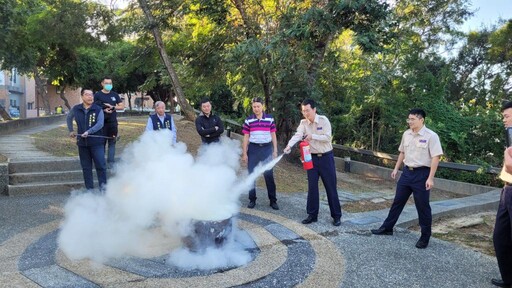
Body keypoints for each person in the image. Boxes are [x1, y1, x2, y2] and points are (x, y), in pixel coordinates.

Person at [371, 108, 443, 249]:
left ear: (421, 120)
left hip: (422, 175)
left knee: (422, 206)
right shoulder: (406, 134)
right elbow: (402, 153)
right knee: (398, 201)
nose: (409, 122)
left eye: (412, 119)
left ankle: (425, 236)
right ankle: (387, 228)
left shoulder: (431, 136)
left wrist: (430, 178)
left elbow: (436, 157)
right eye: (408, 119)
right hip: (407, 173)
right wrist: (396, 168)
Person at [284, 99, 342, 226]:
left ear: (314, 109)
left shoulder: (323, 120)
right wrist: (289, 145)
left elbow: (328, 138)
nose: (305, 113)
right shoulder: (303, 123)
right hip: (311, 159)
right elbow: (298, 135)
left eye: (308, 111)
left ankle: (336, 216)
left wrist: (312, 136)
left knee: (331, 187)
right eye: (303, 111)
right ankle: (312, 215)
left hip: (326, 158)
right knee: (312, 187)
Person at [242, 97, 279, 210]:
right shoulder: (249, 120)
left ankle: (273, 200)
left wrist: (275, 150)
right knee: (251, 175)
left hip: (267, 149)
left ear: (262, 106)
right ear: (252, 107)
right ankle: (252, 199)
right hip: (253, 149)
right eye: (254, 107)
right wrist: (244, 153)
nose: (256, 108)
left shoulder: (270, 119)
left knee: (268, 175)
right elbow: (246, 137)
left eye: (258, 106)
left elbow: (273, 134)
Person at [66, 89, 107, 190]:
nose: (90, 97)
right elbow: (69, 117)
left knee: (101, 166)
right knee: (86, 168)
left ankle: (103, 190)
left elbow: (100, 124)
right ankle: (90, 191)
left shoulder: (98, 109)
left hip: (96, 144)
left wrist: (89, 132)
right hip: (82, 144)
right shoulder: (76, 108)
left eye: (91, 95)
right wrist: (71, 130)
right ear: (82, 96)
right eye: (87, 95)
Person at [491, 101, 512, 288]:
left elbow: (511, 166)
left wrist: (507, 156)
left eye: (506, 116)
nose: (503, 120)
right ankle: (508, 279)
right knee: (500, 237)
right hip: (507, 190)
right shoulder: (510, 135)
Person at [94, 76, 124, 168]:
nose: (108, 85)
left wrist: (113, 107)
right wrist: (104, 109)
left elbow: (121, 106)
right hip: (101, 123)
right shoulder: (98, 95)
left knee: (112, 143)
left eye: (110, 83)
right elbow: (94, 107)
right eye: (106, 83)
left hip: (112, 123)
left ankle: (111, 162)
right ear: (102, 84)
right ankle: (101, 162)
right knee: (101, 143)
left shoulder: (114, 95)